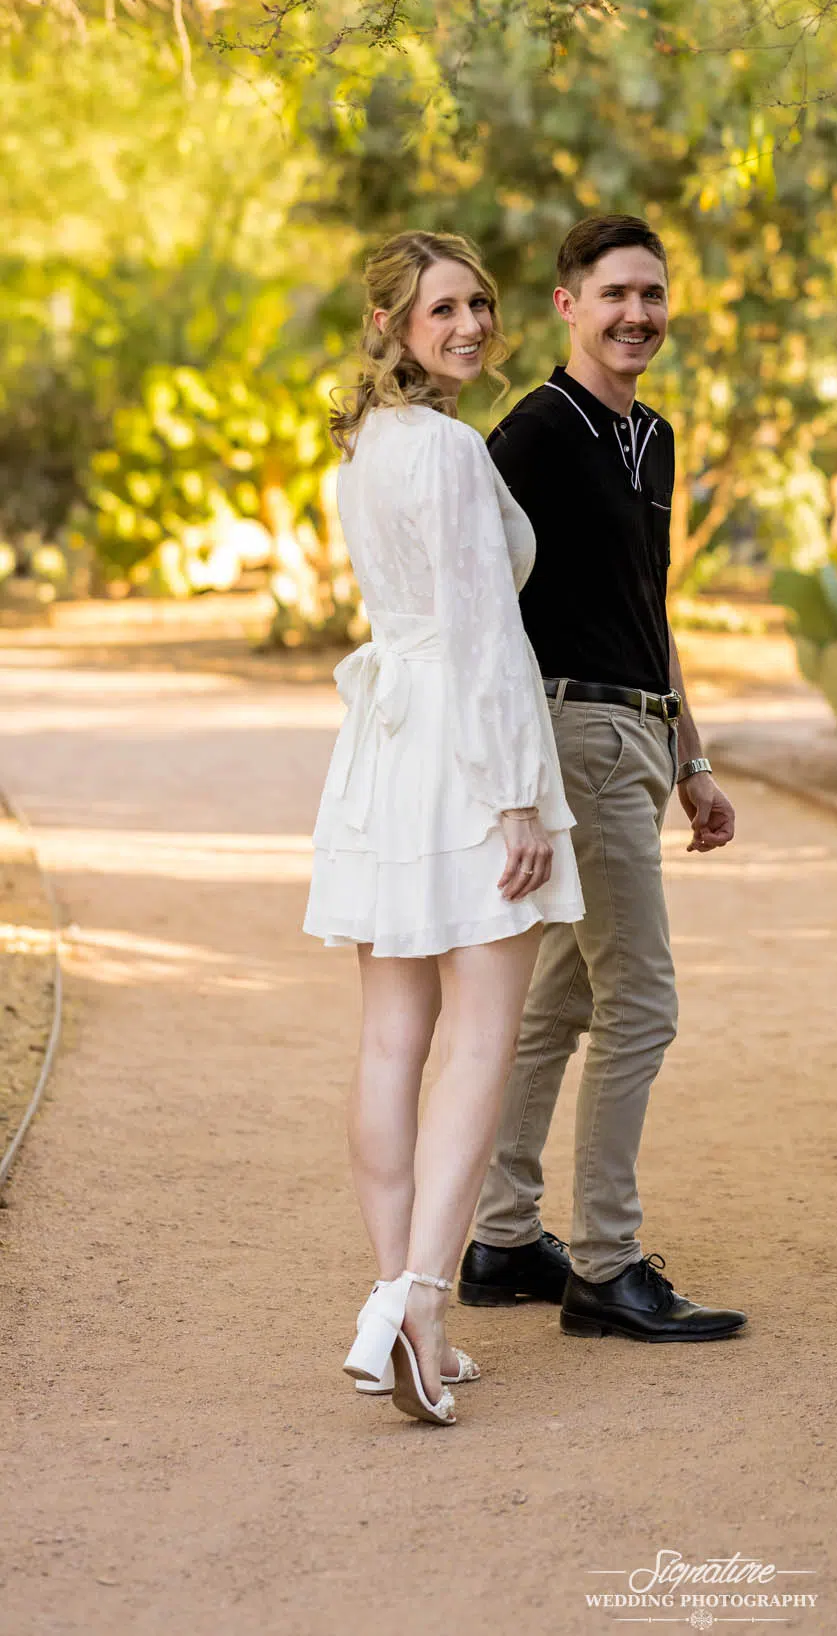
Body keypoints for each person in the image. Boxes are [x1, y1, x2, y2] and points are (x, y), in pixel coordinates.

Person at [304, 228, 584, 1425]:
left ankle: (395, 1300)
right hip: (466, 760)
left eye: (479, 303)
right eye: (443, 311)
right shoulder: (456, 452)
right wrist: (517, 793)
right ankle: (417, 1302)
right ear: (392, 327)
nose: (470, 325)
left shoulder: (360, 450)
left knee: (388, 1043)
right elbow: (484, 638)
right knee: (476, 1043)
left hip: (387, 753)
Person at [459, 212, 746, 1342]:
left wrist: (694, 758)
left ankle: (500, 1235)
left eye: (653, 295)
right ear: (568, 305)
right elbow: (482, 611)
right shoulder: (529, 434)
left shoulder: (656, 437)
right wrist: (510, 771)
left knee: (565, 1000)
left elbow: (652, 607)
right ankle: (608, 1264)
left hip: (637, 733)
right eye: (615, 293)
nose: (637, 313)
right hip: (570, 733)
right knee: (643, 1001)